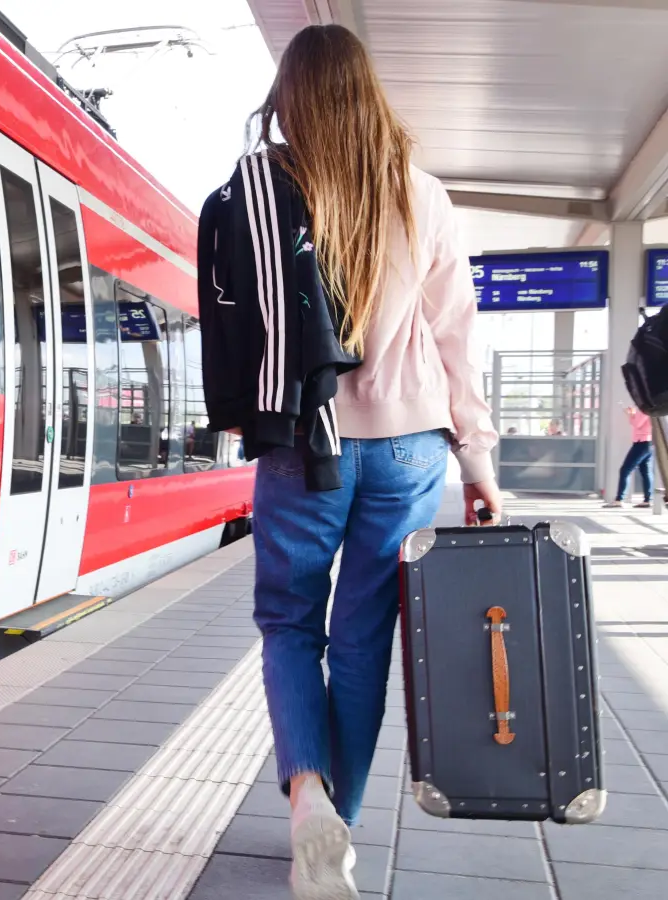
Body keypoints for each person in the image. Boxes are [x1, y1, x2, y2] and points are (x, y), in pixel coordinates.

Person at [210, 25, 501, 900]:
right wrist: (479, 464)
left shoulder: (266, 191)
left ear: (290, 97)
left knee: (290, 624)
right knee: (365, 637)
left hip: (304, 441)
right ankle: (342, 823)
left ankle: (308, 797)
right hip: (409, 451)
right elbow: (456, 337)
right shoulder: (423, 194)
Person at [604, 406, 654, 509]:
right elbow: (636, 423)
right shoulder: (650, 408)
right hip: (647, 443)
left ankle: (619, 500)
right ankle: (647, 500)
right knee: (646, 472)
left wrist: (630, 415)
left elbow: (637, 424)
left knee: (625, 470)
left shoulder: (645, 410)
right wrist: (632, 415)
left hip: (641, 443)